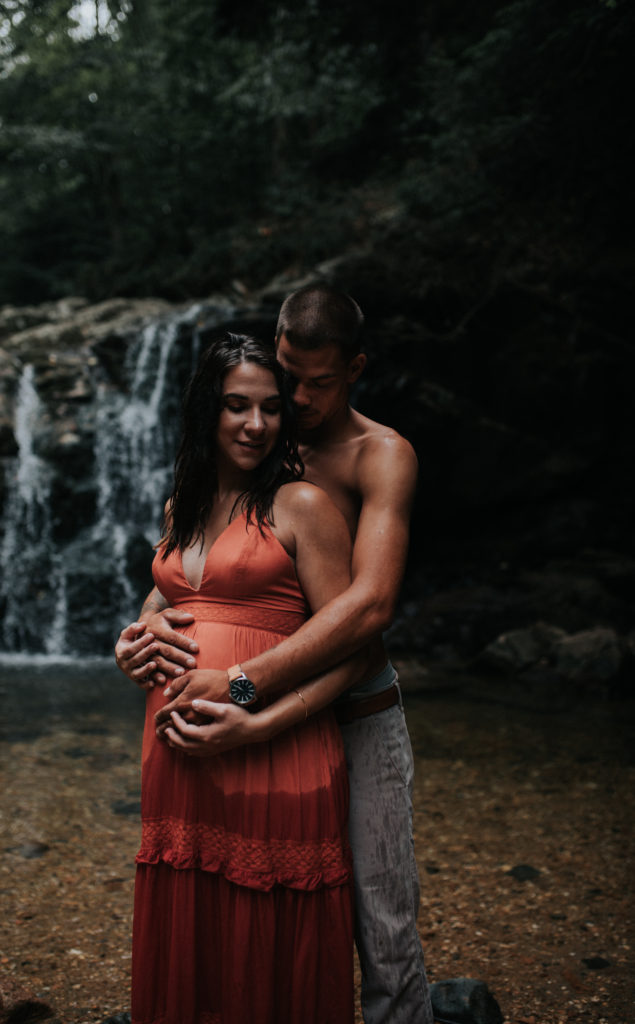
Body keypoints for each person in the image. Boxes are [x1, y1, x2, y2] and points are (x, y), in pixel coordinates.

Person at [116, 285, 434, 1024]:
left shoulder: (377, 454)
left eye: (313, 384)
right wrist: (137, 633)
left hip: (355, 705)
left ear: (354, 368)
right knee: (219, 894)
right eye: (282, 376)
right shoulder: (260, 438)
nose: (290, 399)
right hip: (234, 720)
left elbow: (369, 611)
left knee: (379, 919)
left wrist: (240, 687)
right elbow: (194, 573)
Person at [129, 332, 362, 1024]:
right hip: (178, 764)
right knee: (193, 931)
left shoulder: (301, 506)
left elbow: (356, 648)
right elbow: (170, 601)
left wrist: (248, 706)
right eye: (236, 406)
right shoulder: (182, 508)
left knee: (266, 944)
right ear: (208, 410)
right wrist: (132, 641)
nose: (255, 425)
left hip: (272, 750)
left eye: (269, 408)